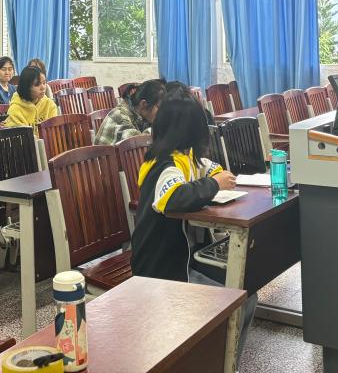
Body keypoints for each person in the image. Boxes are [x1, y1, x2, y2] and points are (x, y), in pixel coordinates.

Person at [130, 97, 256, 359]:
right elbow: (172, 197)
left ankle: (225, 361)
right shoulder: (164, 165)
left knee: (248, 288)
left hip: (185, 258)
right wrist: (214, 185)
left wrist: (216, 177)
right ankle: (220, 362)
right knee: (241, 297)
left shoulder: (184, 157)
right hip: (163, 268)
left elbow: (210, 169)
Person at [94, 79, 165, 145]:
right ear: (143, 104)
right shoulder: (120, 116)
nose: (162, 112)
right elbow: (137, 145)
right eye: (160, 107)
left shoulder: (140, 116)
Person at [4, 66, 57, 134]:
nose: (43, 87)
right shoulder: (15, 110)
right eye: (37, 84)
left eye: (44, 83)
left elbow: (54, 132)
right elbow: (22, 137)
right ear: (26, 86)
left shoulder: (49, 104)